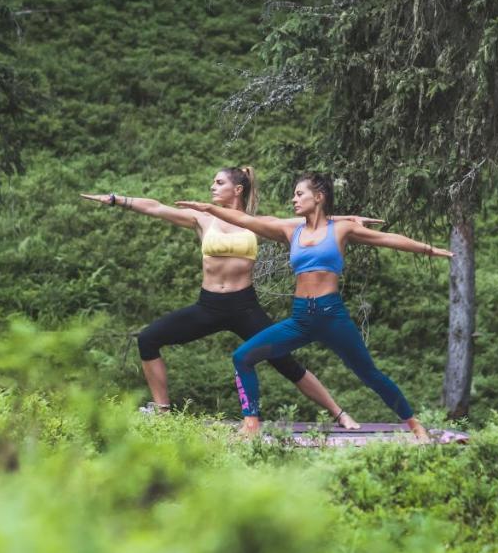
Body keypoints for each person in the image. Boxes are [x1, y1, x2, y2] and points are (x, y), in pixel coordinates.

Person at [80, 167, 367, 428]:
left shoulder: (255, 223)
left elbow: (308, 221)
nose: (212, 187)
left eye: (219, 183)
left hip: (245, 307)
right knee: (148, 339)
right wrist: (117, 199)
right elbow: (156, 208)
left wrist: (348, 221)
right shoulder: (202, 219)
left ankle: (340, 414)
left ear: (237, 189)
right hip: (209, 306)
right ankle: (162, 410)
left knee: (286, 363)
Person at [177, 172, 452, 441]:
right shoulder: (289, 230)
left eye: (300, 194)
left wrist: (428, 249)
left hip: (332, 316)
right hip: (301, 319)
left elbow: (389, 239)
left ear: (318, 197)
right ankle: (251, 423)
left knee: (369, 374)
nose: (294, 200)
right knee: (243, 357)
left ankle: (415, 425)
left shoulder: (341, 229)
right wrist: (207, 208)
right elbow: (244, 219)